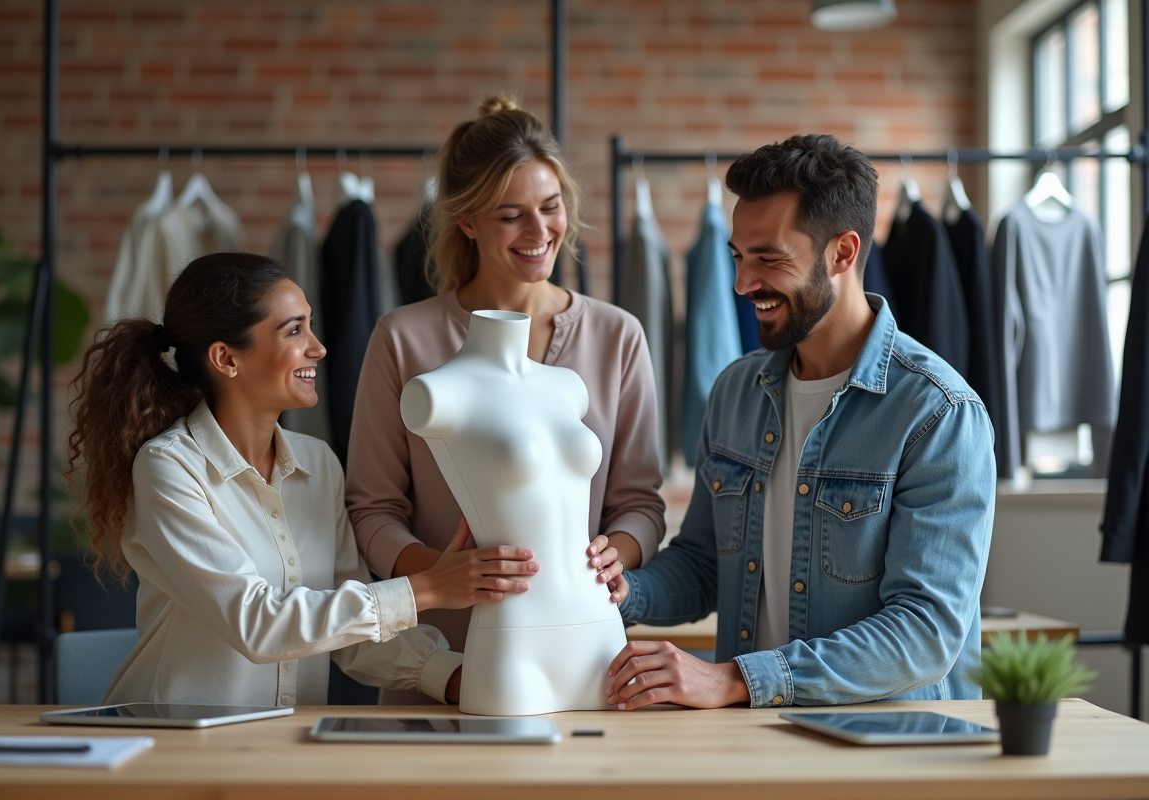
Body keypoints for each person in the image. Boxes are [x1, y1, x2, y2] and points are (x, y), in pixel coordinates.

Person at [606, 134, 995, 710]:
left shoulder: (938, 412)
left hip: (893, 749)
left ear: (842, 253)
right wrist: (621, 591)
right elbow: (706, 563)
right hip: (758, 739)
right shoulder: (736, 390)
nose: (743, 284)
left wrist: (738, 679)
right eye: (739, 257)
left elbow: (925, 633)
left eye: (768, 258)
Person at [67, 252, 541, 707]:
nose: (318, 347)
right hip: (173, 753)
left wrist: (460, 677)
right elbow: (257, 623)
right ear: (227, 359)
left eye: (310, 325)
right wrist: (429, 588)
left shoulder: (320, 465)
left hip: (281, 751)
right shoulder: (169, 467)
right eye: (295, 330)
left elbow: (354, 640)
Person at [347, 96, 666, 702]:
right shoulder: (404, 338)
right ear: (467, 221)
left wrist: (615, 555)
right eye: (510, 215)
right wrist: (443, 579)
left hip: (585, 659)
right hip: (440, 663)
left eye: (551, 208)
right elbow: (372, 510)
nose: (540, 232)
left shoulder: (617, 335)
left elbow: (641, 505)